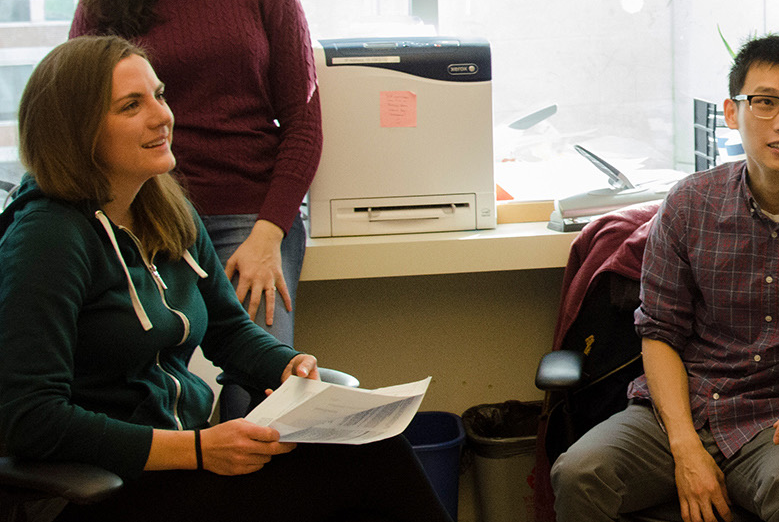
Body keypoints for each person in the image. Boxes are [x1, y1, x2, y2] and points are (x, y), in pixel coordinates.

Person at [0, 36, 449, 522]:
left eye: (160, 95)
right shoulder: (48, 237)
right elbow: (30, 418)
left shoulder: (164, 208)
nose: (161, 116)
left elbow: (229, 331)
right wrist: (196, 449)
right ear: (75, 131)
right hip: (99, 489)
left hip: (177, 469)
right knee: (367, 470)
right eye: (132, 105)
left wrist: (286, 364)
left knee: (373, 449)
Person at [551, 35, 779, 522]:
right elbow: (659, 333)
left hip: (777, 420)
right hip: (681, 408)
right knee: (579, 472)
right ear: (732, 112)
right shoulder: (689, 204)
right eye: (764, 102)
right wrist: (685, 450)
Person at [70, 0, 321, 417]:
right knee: (144, 388)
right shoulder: (101, 7)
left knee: (257, 393)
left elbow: (304, 125)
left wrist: (271, 233)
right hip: (142, 220)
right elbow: (76, 129)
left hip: (248, 221)